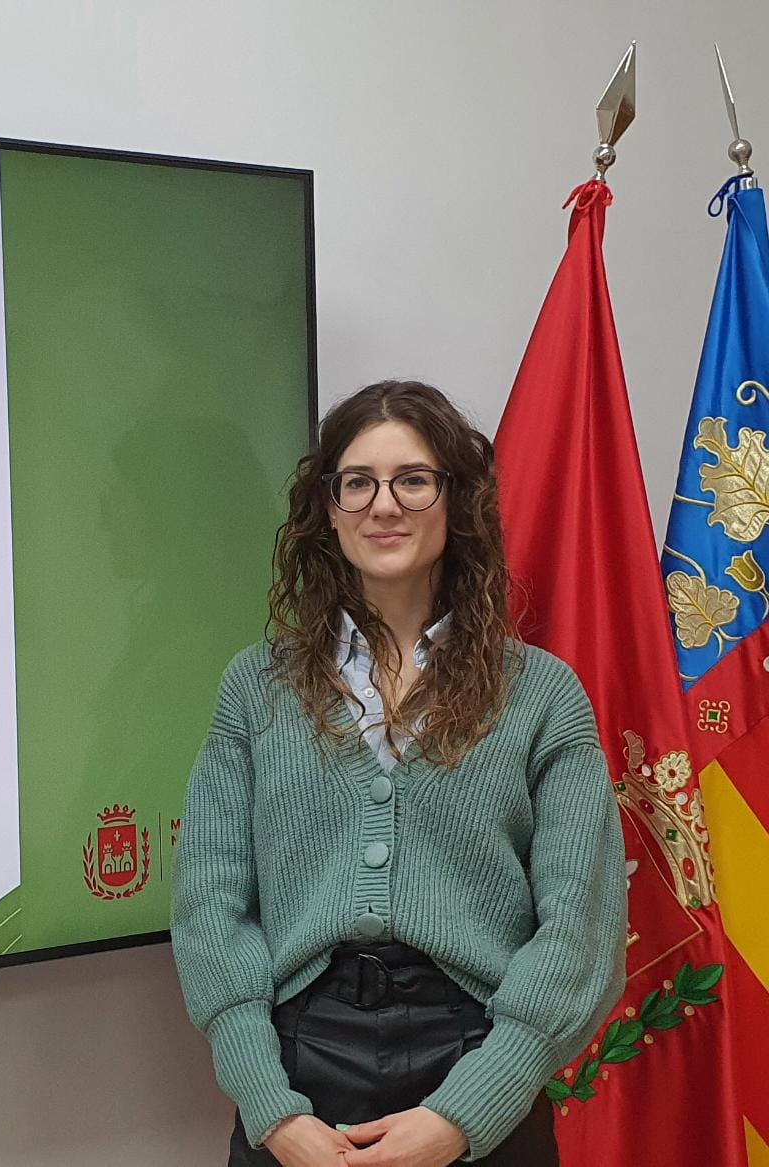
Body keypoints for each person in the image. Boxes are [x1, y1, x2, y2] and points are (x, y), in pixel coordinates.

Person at [171, 381, 626, 1166]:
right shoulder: (255, 687)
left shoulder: (543, 695)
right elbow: (211, 905)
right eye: (358, 481)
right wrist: (271, 1108)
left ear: (457, 500)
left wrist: (468, 1112)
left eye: (413, 479)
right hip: (296, 1060)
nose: (384, 505)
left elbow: (581, 928)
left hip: (482, 1053)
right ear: (329, 508)